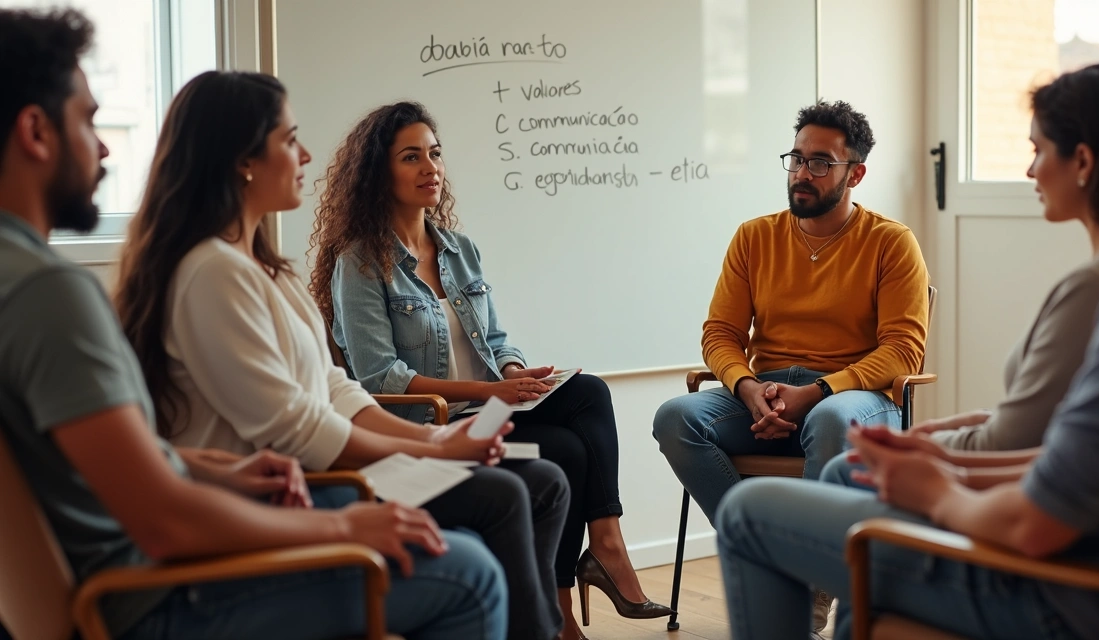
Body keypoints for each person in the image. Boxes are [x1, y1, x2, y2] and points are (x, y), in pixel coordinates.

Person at [0, 8, 505, 640]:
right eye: (89, 120)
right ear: (35, 132)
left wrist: (204, 468)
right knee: (470, 573)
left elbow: (98, 465)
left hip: (141, 573)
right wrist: (344, 528)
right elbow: (163, 521)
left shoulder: (20, 279)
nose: (103, 146)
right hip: (155, 594)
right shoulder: (49, 292)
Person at [713, 25, 1099, 640]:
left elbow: (1042, 513)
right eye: (799, 157)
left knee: (751, 510)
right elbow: (1088, 459)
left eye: (1037, 149)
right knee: (720, 431)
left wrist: (940, 482)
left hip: (1058, 586)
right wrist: (944, 444)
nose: (1029, 168)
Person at [111, 73, 564, 640]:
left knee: (543, 479)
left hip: (314, 474)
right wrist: (432, 444)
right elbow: (298, 427)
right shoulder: (211, 272)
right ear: (241, 161)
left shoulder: (264, 268)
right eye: (289, 140)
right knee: (500, 494)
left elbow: (335, 388)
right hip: (280, 494)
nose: (304, 155)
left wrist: (436, 443)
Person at [309, 101, 670, 640]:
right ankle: (565, 607)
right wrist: (490, 387)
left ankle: (601, 549)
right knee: (566, 450)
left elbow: (495, 338)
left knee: (587, 391)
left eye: (434, 153)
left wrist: (519, 371)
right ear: (378, 173)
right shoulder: (359, 262)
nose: (430, 167)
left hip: (486, 407)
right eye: (411, 157)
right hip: (429, 425)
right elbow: (379, 377)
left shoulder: (459, 249)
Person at [818, 62, 1099, 492]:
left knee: (788, 493)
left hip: (1009, 517)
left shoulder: (1097, 289)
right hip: (1029, 489)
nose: (1030, 171)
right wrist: (941, 431)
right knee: (843, 470)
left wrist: (932, 449)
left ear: (1083, 161)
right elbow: (1051, 423)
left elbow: (1014, 442)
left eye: (1038, 150)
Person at [651, 99, 929, 517]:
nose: (801, 174)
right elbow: (721, 334)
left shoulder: (891, 241)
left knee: (831, 419)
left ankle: (813, 569)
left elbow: (903, 351)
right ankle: (759, 542)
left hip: (853, 397)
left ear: (855, 173)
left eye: (820, 163)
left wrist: (818, 392)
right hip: (765, 395)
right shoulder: (754, 237)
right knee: (676, 418)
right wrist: (746, 388)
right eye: (796, 158)